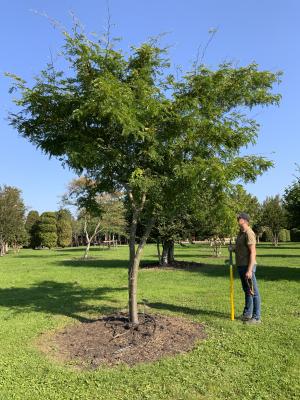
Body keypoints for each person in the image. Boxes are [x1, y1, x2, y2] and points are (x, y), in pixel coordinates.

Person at [230, 212, 261, 324]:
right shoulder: (241, 233)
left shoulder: (249, 233)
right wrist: (232, 248)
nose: (238, 219)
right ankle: (248, 314)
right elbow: (240, 249)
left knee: (254, 292)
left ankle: (257, 317)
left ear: (245, 220)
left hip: (248, 266)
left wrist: (249, 270)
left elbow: (253, 253)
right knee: (247, 291)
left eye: (240, 218)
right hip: (241, 265)